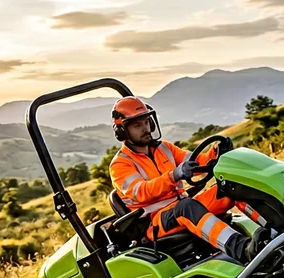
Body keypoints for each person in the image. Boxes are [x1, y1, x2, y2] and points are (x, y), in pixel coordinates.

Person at [108, 96, 268, 262]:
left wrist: (216, 153)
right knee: (186, 207)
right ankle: (244, 250)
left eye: (147, 122)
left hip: (183, 206)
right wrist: (174, 175)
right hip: (156, 223)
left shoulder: (164, 148)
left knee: (229, 187)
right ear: (122, 131)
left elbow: (196, 162)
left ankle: (276, 232)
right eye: (137, 125)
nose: (145, 128)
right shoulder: (120, 164)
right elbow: (142, 192)